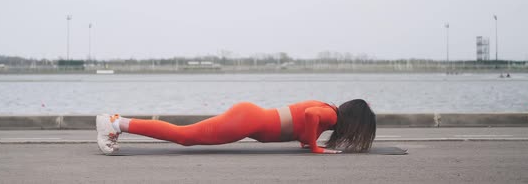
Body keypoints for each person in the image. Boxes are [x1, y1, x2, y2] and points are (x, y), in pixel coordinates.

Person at [96, 99, 376, 155]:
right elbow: (312, 115)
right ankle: (116, 123)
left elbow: (304, 124)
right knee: (184, 137)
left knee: (185, 136)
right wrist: (315, 149)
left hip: (249, 117)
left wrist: (311, 143)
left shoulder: (329, 113)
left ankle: (118, 123)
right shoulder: (330, 115)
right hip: (248, 120)